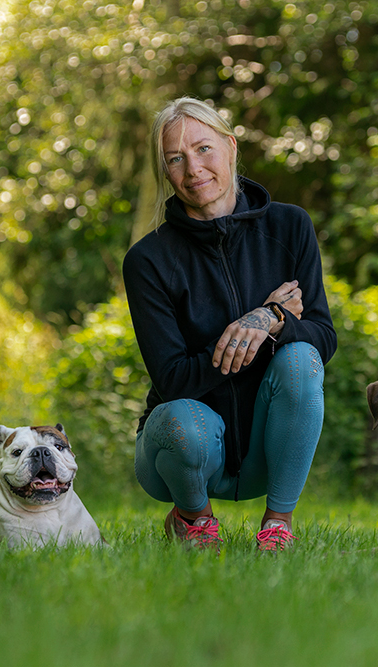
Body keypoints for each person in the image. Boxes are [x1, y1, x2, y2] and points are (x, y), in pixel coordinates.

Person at [122, 97, 337, 551]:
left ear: (231, 147)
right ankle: (194, 518)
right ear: (165, 171)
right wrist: (249, 329)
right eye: (175, 159)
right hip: (184, 448)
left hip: (268, 448)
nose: (193, 169)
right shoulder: (148, 261)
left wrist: (271, 319)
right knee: (182, 418)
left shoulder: (291, 227)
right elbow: (174, 378)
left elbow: (322, 337)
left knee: (302, 359)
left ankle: (277, 525)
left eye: (203, 149)